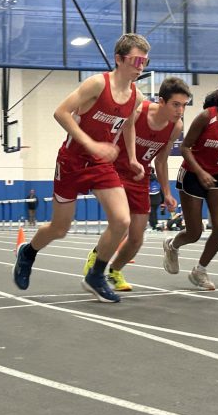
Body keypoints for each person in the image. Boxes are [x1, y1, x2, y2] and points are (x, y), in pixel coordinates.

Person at [12, 33, 150, 303]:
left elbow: (129, 125)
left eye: (145, 61)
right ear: (119, 59)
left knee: (122, 220)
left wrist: (133, 158)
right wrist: (90, 143)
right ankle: (28, 252)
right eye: (136, 60)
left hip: (101, 163)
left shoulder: (136, 96)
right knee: (59, 228)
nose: (141, 66)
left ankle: (96, 275)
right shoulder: (97, 84)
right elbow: (61, 112)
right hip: (72, 160)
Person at [81, 77, 189, 291]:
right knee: (120, 224)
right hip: (115, 171)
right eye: (176, 104)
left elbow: (161, 159)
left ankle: (115, 271)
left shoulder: (176, 127)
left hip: (141, 178)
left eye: (184, 105)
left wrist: (167, 192)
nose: (180, 110)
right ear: (162, 101)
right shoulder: (138, 112)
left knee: (137, 238)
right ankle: (96, 261)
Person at [162, 75, 218, 290]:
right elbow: (185, 148)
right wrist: (200, 172)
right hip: (192, 174)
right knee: (194, 232)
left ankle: (200, 271)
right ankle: (172, 246)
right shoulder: (206, 117)